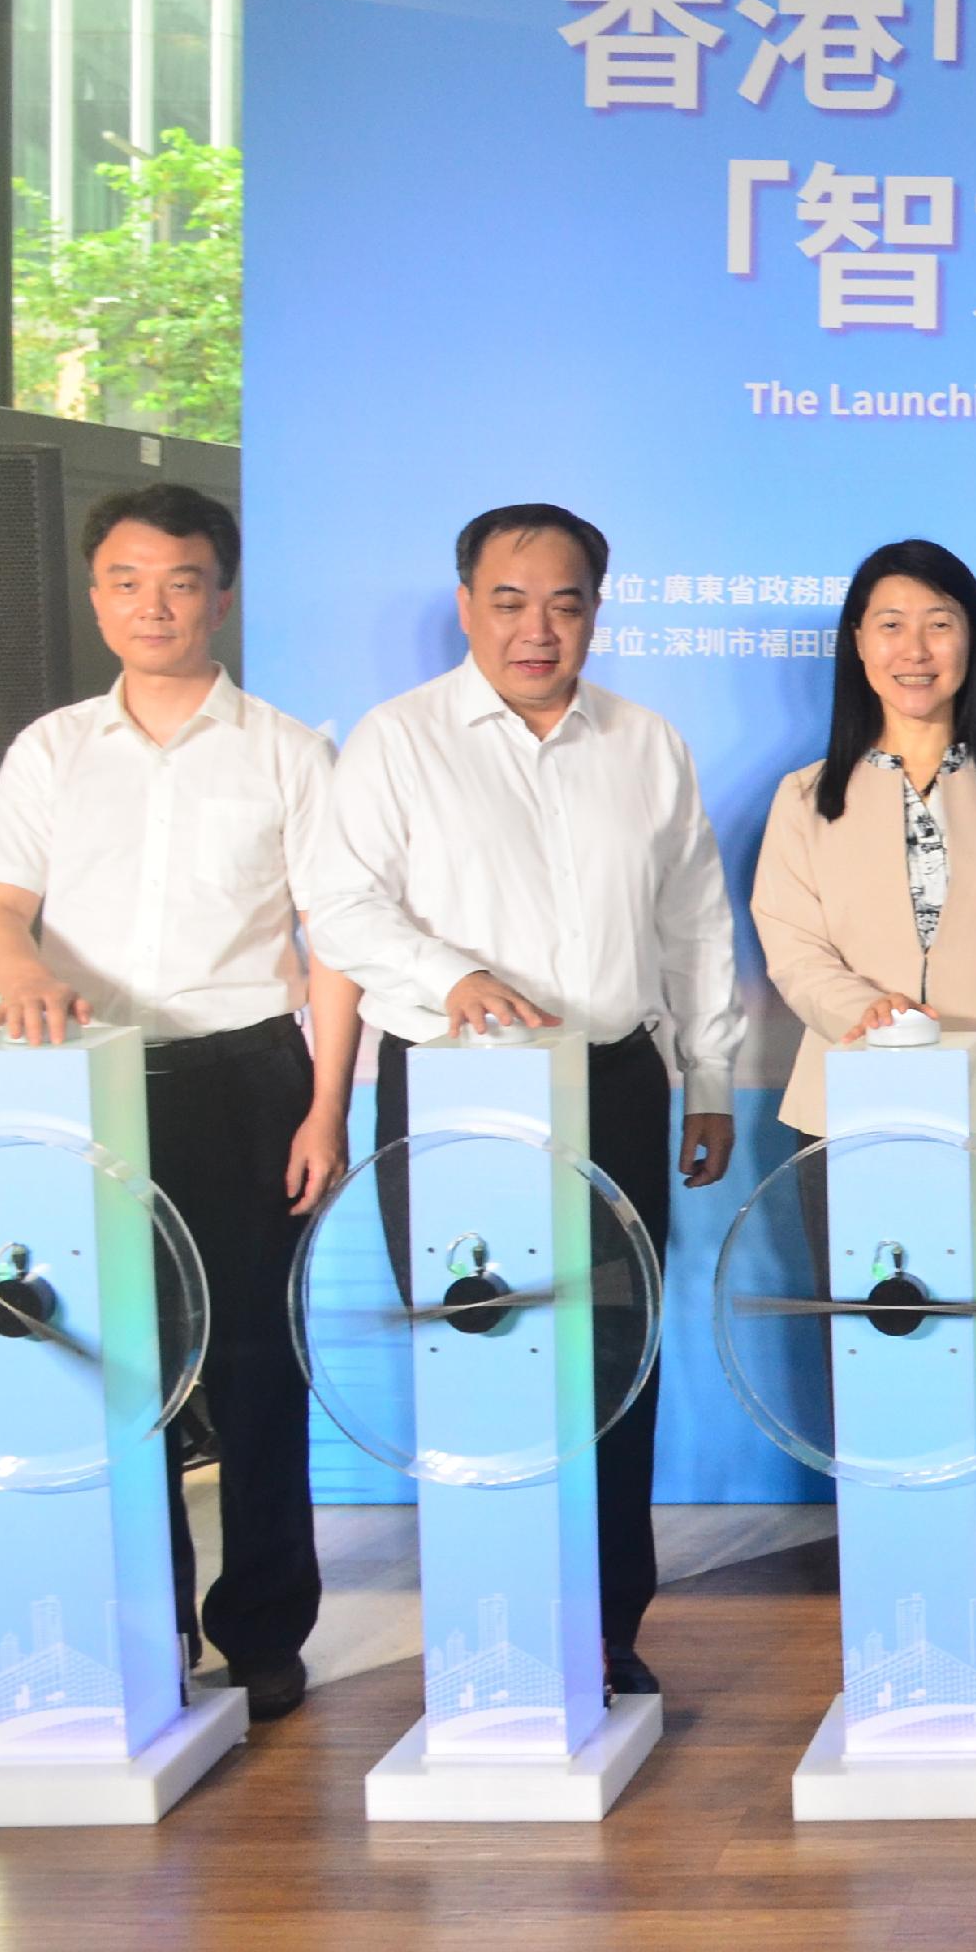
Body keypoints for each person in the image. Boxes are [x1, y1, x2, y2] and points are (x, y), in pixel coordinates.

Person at [299, 503, 741, 1699]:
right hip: (453, 1093)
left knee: (610, 1364)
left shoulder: (646, 742)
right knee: (481, 1352)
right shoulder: (397, 742)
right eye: (510, 600)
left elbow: (694, 921)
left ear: (597, 609)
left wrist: (708, 1076)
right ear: (466, 606)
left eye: (565, 602)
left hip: (608, 1079)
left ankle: (603, 1636)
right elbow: (341, 908)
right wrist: (457, 980)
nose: (536, 628)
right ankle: (493, 1637)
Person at [0, 484, 364, 1725]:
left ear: (222, 593)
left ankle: (263, 1634)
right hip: (87, 1079)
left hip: (247, 1076)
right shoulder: (50, 749)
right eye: (128, 580)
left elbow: (336, 943)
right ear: (96, 596)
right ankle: (143, 1629)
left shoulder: (291, 751)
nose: (154, 603)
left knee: (255, 1368)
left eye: (181, 579)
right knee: (107, 1364)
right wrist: (21, 977)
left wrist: (326, 1109)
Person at [751, 541, 976, 1690]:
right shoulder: (808, 798)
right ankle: (905, 1633)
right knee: (885, 1380)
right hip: (854, 1123)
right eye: (889, 623)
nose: (915, 648)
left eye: (939, 622)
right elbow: (790, 944)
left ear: (974, 644)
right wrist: (865, 1012)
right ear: (856, 644)